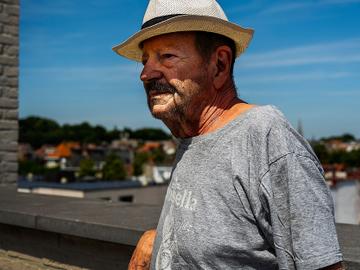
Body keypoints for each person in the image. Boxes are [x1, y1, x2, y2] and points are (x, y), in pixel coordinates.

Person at [113, 1, 344, 269]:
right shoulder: (194, 137)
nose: (145, 74)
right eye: (145, 60)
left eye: (167, 57)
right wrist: (156, 238)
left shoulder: (266, 136)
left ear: (219, 65)